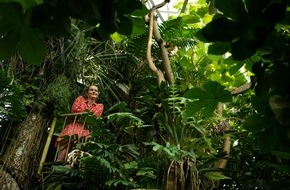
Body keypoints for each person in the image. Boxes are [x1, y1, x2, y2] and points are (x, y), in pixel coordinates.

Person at [55, 85, 104, 161]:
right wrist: (87, 113)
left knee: (77, 154)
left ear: (98, 94)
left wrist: (83, 112)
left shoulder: (100, 106)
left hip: (85, 130)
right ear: (87, 93)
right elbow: (75, 109)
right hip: (73, 127)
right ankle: (57, 167)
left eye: (96, 90)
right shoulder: (80, 99)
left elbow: (95, 116)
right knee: (63, 149)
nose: (94, 91)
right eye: (91, 90)